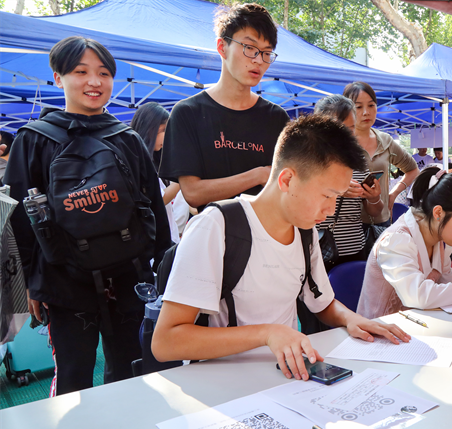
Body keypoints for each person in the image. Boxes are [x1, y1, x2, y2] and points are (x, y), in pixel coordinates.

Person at [152, 114, 409, 379]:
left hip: (287, 378)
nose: (331, 209)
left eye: (338, 197)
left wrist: (351, 319)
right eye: (327, 195)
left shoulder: (305, 230)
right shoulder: (217, 226)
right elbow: (166, 342)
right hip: (226, 382)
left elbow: (322, 302)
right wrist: (267, 334)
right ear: (286, 180)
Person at [4, 36, 171, 396]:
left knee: (131, 372)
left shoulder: (127, 138)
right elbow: (19, 220)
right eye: (81, 72)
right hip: (63, 282)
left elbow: (153, 207)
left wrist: (162, 266)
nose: (94, 82)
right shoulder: (32, 140)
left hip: (130, 278)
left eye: (104, 73)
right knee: (73, 377)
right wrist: (33, 283)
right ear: (58, 77)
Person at [159, 3, 289, 209]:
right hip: (211, 228)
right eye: (249, 48)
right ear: (222, 47)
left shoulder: (277, 118)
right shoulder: (188, 113)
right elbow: (193, 193)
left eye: (266, 53)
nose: (259, 60)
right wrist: (258, 175)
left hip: (266, 228)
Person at [357, 167, 452, 319]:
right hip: (378, 332)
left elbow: (441, 292)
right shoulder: (396, 240)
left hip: (415, 327)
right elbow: (417, 297)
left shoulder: (440, 241)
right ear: (438, 212)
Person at [314, 94, 382, 268]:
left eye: (351, 128)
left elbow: (374, 212)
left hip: (355, 248)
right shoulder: (309, 158)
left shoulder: (357, 159)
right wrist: (336, 190)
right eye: (339, 128)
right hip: (318, 248)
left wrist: (374, 198)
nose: (346, 135)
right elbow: (298, 200)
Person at [344, 81, 419, 222]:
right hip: (347, 225)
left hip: (381, 221)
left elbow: (413, 170)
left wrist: (393, 194)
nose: (366, 112)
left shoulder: (385, 140)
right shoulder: (339, 142)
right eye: (358, 107)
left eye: (371, 105)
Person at [130, 102, 182, 244]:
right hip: (153, 240)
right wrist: (182, 178)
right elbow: (159, 199)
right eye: (164, 130)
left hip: (166, 237)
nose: (168, 135)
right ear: (149, 128)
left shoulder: (154, 159)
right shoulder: (136, 159)